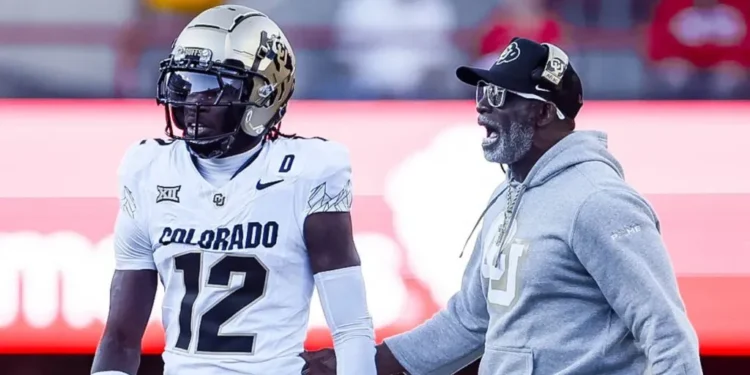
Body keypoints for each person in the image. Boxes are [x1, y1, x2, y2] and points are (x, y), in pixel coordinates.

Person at [302, 37, 702, 375]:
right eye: (480, 94)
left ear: (543, 111)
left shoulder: (599, 200)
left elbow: (667, 333)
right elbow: (469, 322)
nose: (481, 108)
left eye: (498, 96)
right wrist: (358, 364)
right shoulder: (510, 192)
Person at [91, 5, 377, 375]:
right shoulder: (148, 169)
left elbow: (351, 327)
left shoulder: (309, 171)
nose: (192, 103)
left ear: (264, 94)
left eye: (211, 88)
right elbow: (120, 338)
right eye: (184, 84)